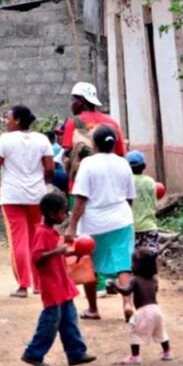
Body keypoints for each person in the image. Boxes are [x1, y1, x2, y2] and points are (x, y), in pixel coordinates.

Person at [65, 125, 136, 321]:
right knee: (124, 263)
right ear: (114, 144)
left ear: (94, 144)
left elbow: (81, 198)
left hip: (93, 222)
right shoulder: (123, 163)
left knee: (89, 265)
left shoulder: (88, 164)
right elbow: (130, 197)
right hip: (121, 219)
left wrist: (72, 225)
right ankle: (127, 303)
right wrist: (124, 215)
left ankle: (93, 308)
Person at [20, 192, 96, 366]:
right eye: (63, 212)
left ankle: (76, 353)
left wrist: (76, 252)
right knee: (50, 322)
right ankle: (33, 353)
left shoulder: (52, 232)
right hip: (52, 286)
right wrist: (57, 252)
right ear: (52, 214)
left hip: (62, 284)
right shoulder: (42, 233)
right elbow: (37, 258)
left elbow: (57, 255)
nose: (66, 215)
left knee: (69, 320)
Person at [0, 105, 54, 298]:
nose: (6, 122)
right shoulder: (42, 139)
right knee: (37, 238)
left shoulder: (5, 140)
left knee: (19, 239)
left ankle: (23, 284)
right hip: (37, 195)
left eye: (8, 118)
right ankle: (39, 284)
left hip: (12, 195)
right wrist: (42, 183)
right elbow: (50, 168)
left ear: (17, 121)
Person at [106, 248, 173, 364]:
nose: (131, 266)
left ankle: (135, 356)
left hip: (144, 311)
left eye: (133, 263)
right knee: (160, 332)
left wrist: (115, 285)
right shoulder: (154, 280)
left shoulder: (135, 280)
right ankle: (167, 352)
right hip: (156, 309)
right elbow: (154, 290)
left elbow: (126, 291)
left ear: (138, 266)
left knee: (135, 333)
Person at [127, 151, 159, 252]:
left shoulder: (127, 181)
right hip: (149, 226)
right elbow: (154, 204)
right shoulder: (150, 182)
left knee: (133, 258)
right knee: (150, 257)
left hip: (131, 228)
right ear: (144, 166)